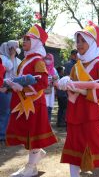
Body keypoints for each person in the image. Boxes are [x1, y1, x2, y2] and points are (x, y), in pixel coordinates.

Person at [58, 21, 99, 177]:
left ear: (92, 43)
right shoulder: (76, 66)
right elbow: (70, 85)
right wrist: (65, 83)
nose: (79, 44)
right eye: (78, 40)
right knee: (73, 144)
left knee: (95, 143)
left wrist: (85, 92)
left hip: (90, 112)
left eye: (83, 40)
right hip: (74, 111)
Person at [5, 24, 57, 177]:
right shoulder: (26, 60)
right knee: (27, 133)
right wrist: (10, 84)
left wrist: (21, 88)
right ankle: (35, 156)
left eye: (28, 39)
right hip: (24, 103)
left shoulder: (38, 61)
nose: (24, 42)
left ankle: (31, 167)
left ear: (35, 42)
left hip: (33, 103)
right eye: (24, 39)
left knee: (33, 134)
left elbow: (42, 83)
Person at [0, 40, 21, 142]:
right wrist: (12, 55)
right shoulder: (2, 58)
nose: (16, 49)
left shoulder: (19, 60)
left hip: (15, 89)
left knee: (12, 112)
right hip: (4, 88)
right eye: (14, 47)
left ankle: (9, 132)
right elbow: (9, 67)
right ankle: (2, 134)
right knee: (4, 112)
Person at [44, 53, 58, 122]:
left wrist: (54, 79)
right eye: (46, 58)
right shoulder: (42, 68)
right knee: (44, 110)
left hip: (50, 93)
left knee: (49, 110)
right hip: (43, 93)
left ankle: (48, 126)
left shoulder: (54, 70)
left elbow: (57, 82)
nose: (47, 60)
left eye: (49, 59)